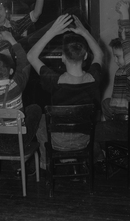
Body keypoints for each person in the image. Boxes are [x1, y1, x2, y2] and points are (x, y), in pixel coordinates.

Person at [27, 14, 103, 170]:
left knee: (41, 119)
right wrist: (83, 32)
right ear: (86, 56)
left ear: (62, 57)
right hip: (84, 140)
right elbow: (101, 54)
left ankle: (45, 163)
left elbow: (31, 56)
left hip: (58, 142)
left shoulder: (55, 81)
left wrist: (52, 31)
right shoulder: (94, 78)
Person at [0, 30, 42, 176]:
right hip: (16, 143)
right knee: (34, 109)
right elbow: (24, 61)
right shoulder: (16, 85)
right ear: (11, 71)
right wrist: (12, 40)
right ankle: (20, 161)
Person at [101, 0, 130, 122]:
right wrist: (121, 17)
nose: (115, 60)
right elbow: (123, 38)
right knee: (106, 102)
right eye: (115, 56)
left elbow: (128, 44)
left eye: (118, 56)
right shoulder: (122, 70)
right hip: (117, 117)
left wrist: (125, 15)